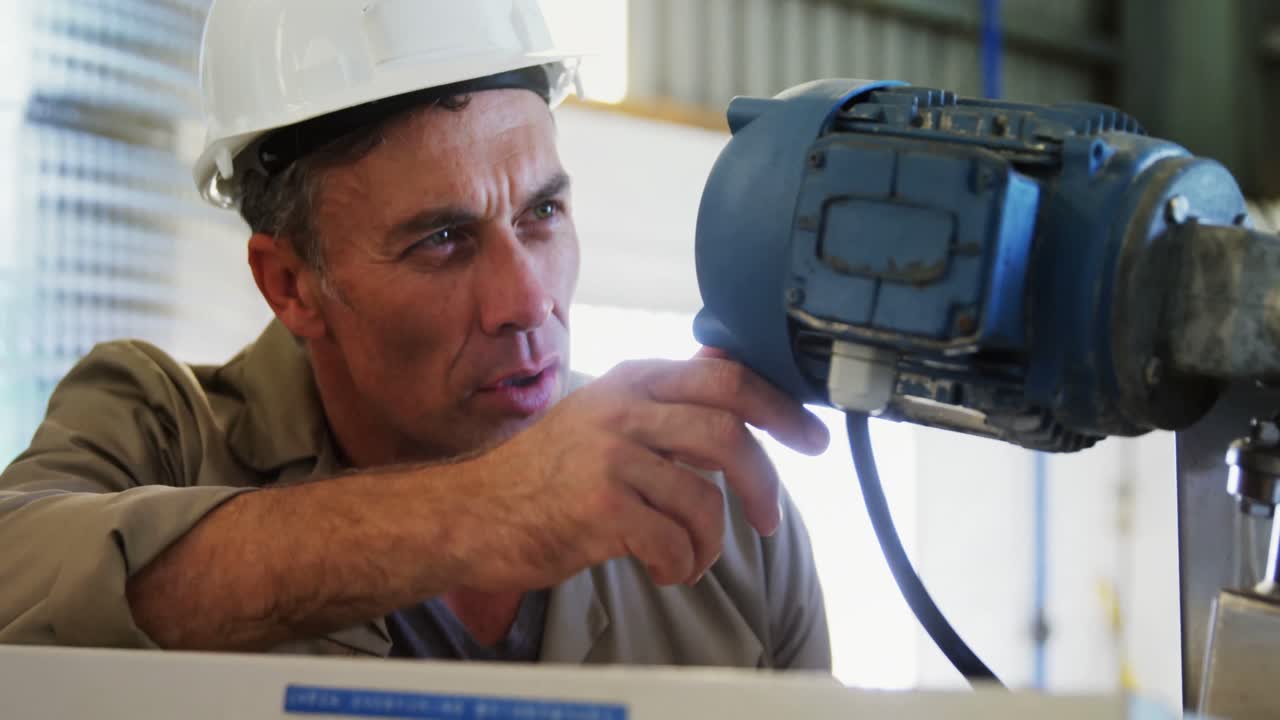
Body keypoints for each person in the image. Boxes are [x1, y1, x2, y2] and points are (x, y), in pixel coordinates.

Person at [0, 0, 832, 668]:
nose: (527, 300)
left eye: (542, 212)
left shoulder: (710, 504)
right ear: (291, 285)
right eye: (441, 240)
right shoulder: (161, 429)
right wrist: (477, 513)